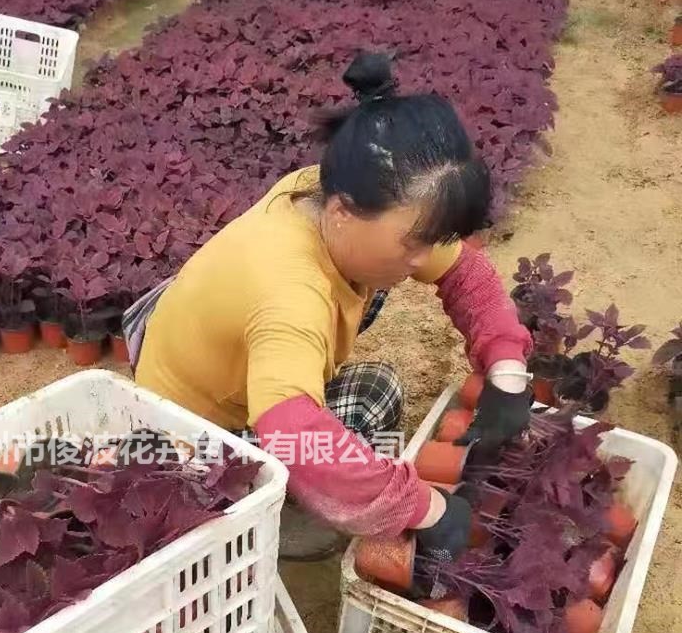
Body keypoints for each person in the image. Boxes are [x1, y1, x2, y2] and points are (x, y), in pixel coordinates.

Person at [126, 52, 533, 560]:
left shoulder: (335, 192)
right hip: (183, 432)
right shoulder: (290, 292)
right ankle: (272, 515)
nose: (426, 260)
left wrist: (508, 370)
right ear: (342, 213)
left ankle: (334, 496)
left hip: (211, 358)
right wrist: (425, 508)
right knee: (355, 416)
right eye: (414, 244)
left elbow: (465, 272)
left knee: (371, 397)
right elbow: (294, 434)